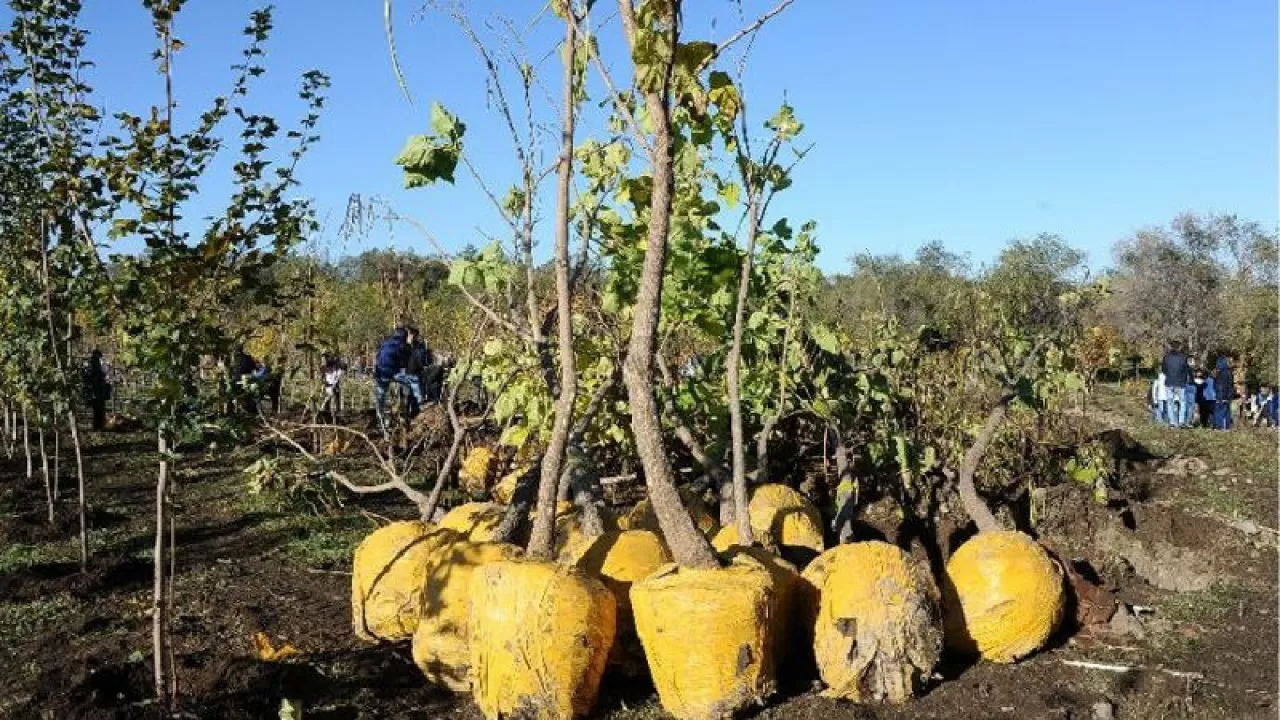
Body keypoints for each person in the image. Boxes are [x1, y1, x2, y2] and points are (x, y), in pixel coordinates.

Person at [372, 327, 422, 436]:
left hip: (380, 373)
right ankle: (421, 404)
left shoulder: (385, 343)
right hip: (392, 373)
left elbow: (377, 356)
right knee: (414, 381)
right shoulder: (401, 344)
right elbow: (405, 363)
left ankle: (382, 422)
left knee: (380, 398)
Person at [1160, 341, 1190, 428]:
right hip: (1180, 383)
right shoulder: (1183, 357)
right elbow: (1186, 370)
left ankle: (1172, 422)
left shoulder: (1166, 357)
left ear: (1171, 347)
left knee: (1170, 403)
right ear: (1179, 347)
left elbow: (1163, 370)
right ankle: (1181, 422)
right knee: (1183, 402)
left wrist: (1169, 375)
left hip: (1169, 382)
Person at [81, 349, 111, 431]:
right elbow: (102, 375)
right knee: (100, 409)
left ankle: (96, 427)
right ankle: (100, 427)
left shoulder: (88, 364)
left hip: (93, 390)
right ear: (97, 355)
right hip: (98, 390)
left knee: (96, 410)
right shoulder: (96, 364)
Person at [319, 353, 346, 422]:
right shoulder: (323, 367)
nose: (323, 361)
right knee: (327, 400)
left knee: (336, 398)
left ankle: (337, 413)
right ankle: (325, 413)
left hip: (334, 384)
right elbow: (323, 378)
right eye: (322, 360)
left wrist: (335, 383)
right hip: (328, 385)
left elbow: (342, 369)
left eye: (324, 359)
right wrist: (323, 387)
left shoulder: (335, 365)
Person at [1212, 355, 1234, 430]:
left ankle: (1220, 426)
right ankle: (1227, 427)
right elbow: (1230, 385)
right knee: (1227, 411)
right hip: (1227, 395)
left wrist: (1220, 396)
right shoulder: (1229, 372)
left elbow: (1219, 385)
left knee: (1219, 410)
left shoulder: (1220, 373)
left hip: (1221, 395)